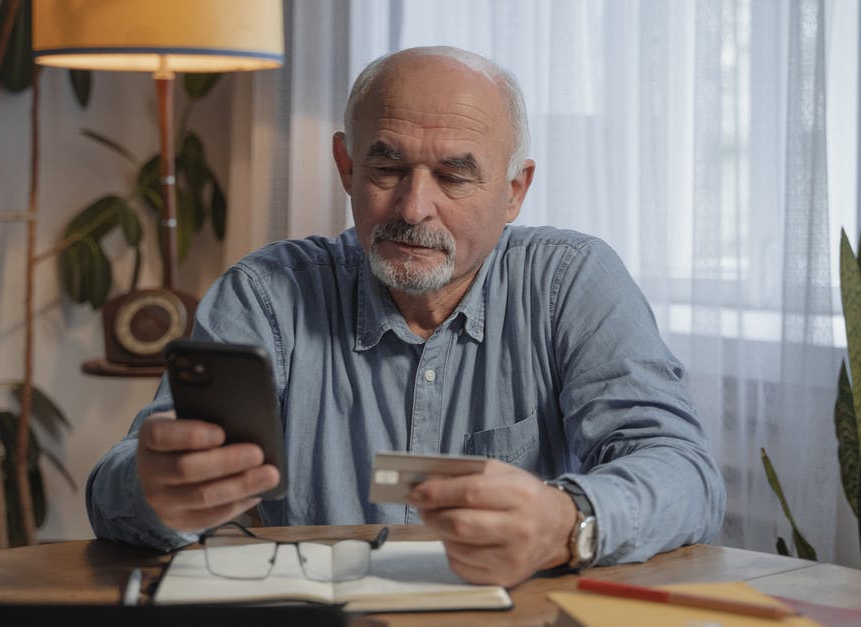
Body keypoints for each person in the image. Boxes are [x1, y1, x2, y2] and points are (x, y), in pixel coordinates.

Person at [87, 45, 725, 587]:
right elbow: (117, 488)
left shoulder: (569, 282)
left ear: (514, 192)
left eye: (454, 176)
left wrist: (568, 522)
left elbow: (684, 472)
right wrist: (156, 489)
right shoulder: (265, 296)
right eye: (387, 167)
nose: (414, 206)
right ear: (346, 166)